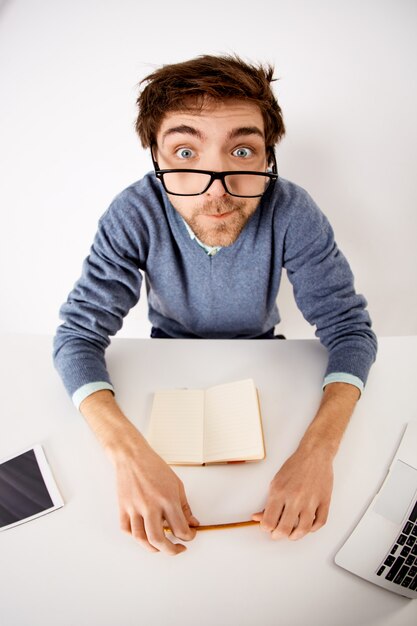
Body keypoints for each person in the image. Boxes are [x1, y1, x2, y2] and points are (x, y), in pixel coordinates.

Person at [53, 54, 377, 556]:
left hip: (266, 357)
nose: (217, 190)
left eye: (242, 151)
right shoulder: (133, 212)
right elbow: (77, 336)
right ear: (156, 159)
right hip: (166, 361)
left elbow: (350, 331)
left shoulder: (292, 210)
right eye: (185, 152)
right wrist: (129, 456)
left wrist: (319, 452)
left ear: (268, 155)